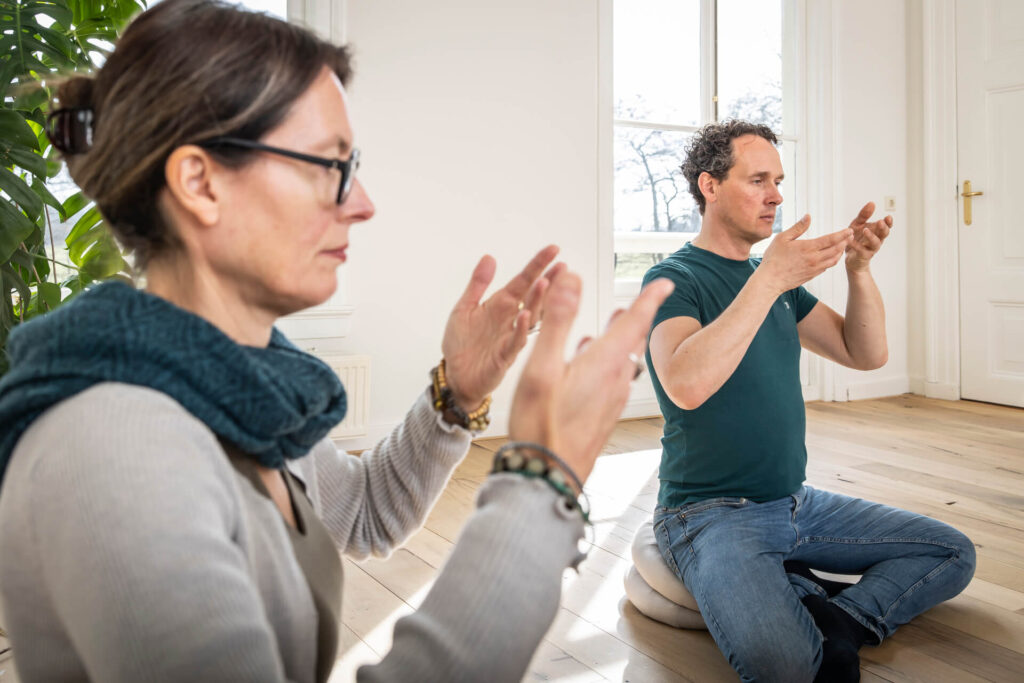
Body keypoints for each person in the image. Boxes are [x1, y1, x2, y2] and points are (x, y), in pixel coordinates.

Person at [0, 2, 674, 681]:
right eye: (329, 164)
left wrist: (456, 394)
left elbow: (364, 511)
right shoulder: (115, 449)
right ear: (200, 183)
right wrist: (539, 483)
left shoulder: (237, 381)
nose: (363, 203)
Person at [644, 120, 975, 683]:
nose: (775, 195)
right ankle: (802, 592)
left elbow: (863, 354)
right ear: (710, 186)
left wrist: (859, 271)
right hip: (707, 516)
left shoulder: (776, 282)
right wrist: (767, 280)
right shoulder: (675, 279)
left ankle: (840, 616)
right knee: (786, 668)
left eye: (778, 180)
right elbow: (685, 384)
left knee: (952, 552)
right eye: (757, 180)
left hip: (795, 504)